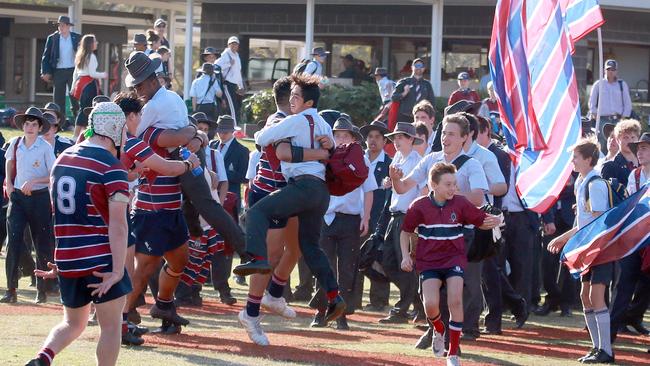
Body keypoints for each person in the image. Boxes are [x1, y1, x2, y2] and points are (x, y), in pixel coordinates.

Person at [25, 102, 131, 366]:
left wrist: (62, 260)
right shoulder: (111, 167)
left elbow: (60, 214)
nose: (126, 136)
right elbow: (118, 225)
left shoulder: (62, 159)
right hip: (101, 260)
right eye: (124, 130)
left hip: (70, 257)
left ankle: (42, 359)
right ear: (114, 129)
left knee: (72, 323)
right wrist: (117, 271)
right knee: (110, 327)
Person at [234, 73, 345, 327]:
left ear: (308, 102)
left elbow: (264, 142)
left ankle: (256, 260)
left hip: (301, 187)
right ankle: (333, 295)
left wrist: (270, 132)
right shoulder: (324, 124)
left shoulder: (295, 120)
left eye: (297, 96)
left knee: (256, 214)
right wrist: (323, 152)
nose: (293, 99)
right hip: (319, 193)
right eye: (292, 95)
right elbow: (331, 153)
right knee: (308, 248)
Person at [401, 162, 500, 366]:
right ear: (433, 185)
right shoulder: (418, 206)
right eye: (448, 184)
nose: (453, 188)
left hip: (454, 258)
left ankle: (452, 353)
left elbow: (480, 219)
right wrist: (405, 256)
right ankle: (438, 329)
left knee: (455, 300)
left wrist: (494, 221)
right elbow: (406, 231)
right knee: (430, 305)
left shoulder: (460, 203)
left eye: (455, 184)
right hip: (428, 261)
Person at [548, 136, 615, 364]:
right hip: (588, 249)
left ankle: (606, 350)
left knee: (596, 296)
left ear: (588, 159)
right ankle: (597, 348)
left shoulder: (595, 184)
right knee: (585, 296)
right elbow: (581, 222)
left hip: (599, 249)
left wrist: (574, 242)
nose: (572, 162)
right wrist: (564, 238)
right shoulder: (582, 183)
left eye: (575, 157)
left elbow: (598, 223)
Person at [308, 115, 377, 330]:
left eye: (345, 136)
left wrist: (365, 217)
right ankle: (321, 311)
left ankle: (341, 314)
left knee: (347, 270)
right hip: (326, 218)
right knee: (324, 267)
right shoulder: (322, 157)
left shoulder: (360, 158)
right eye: (337, 135)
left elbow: (369, 191)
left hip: (350, 219)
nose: (340, 139)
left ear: (353, 138)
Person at [1, 108, 55, 304]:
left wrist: (35, 182)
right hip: (18, 199)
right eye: (27, 124)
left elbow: (53, 174)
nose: (30, 127)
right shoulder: (15, 143)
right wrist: (9, 182)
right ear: (22, 126)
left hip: (39, 198)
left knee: (41, 244)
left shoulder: (45, 147)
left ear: (40, 127)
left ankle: (42, 290)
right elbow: (9, 162)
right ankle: (11, 289)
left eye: (34, 124)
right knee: (13, 241)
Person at [377, 122, 424, 324]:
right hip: (395, 214)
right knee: (388, 261)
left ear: (411, 139)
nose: (396, 141)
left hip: (408, 216)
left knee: (404, 263)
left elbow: (423, 189)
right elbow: (395, 185)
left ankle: (403, 308)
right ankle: (416, 303)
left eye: (401, 137)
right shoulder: (398, 157)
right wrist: (389, 182)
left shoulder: (417, 160)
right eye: (395, 137)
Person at [609, 132, 650, 343]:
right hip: (634, 240)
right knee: (622, 286)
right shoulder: (633, 175)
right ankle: (607, 338)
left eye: (644, 148)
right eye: (639, 149)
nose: (639, 153)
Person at [356, 120, 392, 311]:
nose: (373, 140)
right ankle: (353, 299)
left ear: (385, 141)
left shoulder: (390, 164)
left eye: (378, 137)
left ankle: (379, 302)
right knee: (354, 257)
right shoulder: (357, 159)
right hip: (355, 214)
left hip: (379, 219)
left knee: (378, 259)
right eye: (370, 137)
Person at [40, 15, 81, 119]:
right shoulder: (53, 38)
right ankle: (60, 122)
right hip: (58, 71)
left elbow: (83, 54)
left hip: (73, 71)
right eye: (59, 25)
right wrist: (44, 71)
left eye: (63, 25)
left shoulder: (76, 37)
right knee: (58, 98)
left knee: (75, 96)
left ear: (68, 26)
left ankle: (78, 121)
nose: (61, 28)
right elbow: (46, 56)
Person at [588, 59, 632, 152]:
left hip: (618, 119)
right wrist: (595, 116)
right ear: (604, 70)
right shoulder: (598, 84)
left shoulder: (622, 84)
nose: (611, 72)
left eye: (613, 70)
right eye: (608, 69)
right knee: (602, 143)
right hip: (602, 119)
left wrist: (623, 118)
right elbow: (592, 102)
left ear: (616, 71)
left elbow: (627, 103)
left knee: (618, 143)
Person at [72, 34, 107, 140]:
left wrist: (73, 85)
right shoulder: (91, 56)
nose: (96, 43)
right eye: (95, 41)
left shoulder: (81, 55)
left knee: (83, 109)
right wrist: (103, 75)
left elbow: (76, 73)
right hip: (89, 84)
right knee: (88, 110)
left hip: (81, 84)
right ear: (90, 44)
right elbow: (92, 73)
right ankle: (77, 136)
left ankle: (80, 135)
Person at [391, 58, 435, 122]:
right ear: (412, 67)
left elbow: (432, 103)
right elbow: (393, 97)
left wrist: (431, 117)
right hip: (405, 117)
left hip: (421, 118)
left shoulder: (427, 84)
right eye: (416, 66)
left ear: (423, 69)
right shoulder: (404, 82)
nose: (419, 68)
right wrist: (404, 93)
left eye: (421, 66)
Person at [601, 119, 641, 187]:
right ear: (617, 140)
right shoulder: (609, 166)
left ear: (638, 139)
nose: (630, 141)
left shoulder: (644, 163)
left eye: (633, 137)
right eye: (626, 137)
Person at [216, 36, 244, 124]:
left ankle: (231, 126)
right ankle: (234, 127)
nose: (234, 46)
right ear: (228, 45)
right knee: (232, 106)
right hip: (227, 84)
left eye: (236, 44)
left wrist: (241, 86)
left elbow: (238, 72)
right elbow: (216, 66)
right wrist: (228, 64)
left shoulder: (237, 55)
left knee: (236, 106)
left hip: (234, 85)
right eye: (232, 44)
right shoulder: (226, 54)